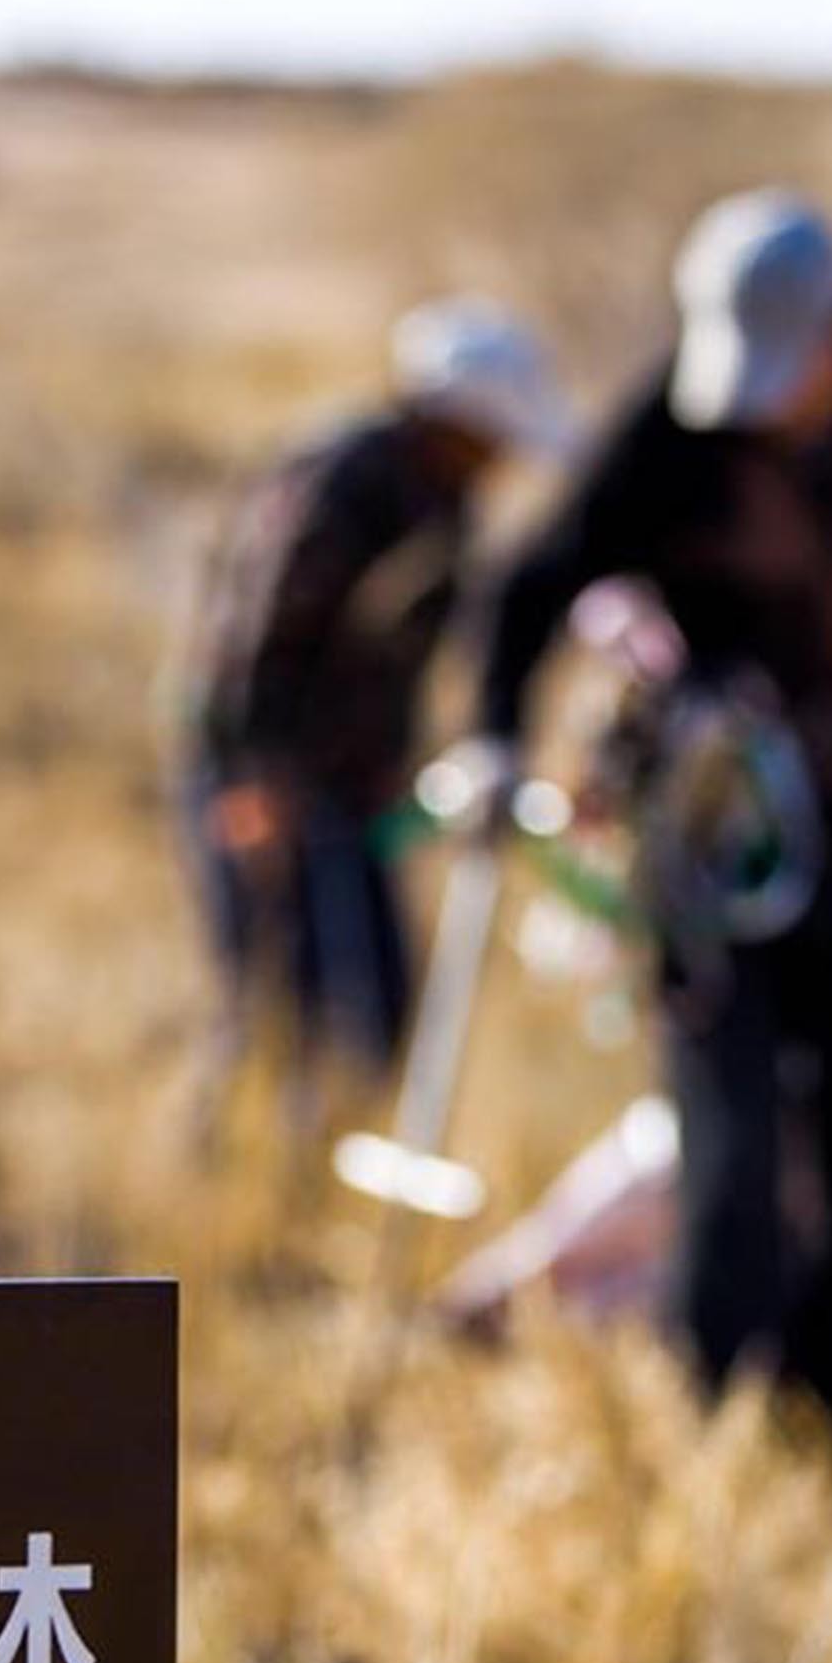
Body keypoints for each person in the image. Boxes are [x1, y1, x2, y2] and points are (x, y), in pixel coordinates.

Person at [465, 186, 832, 1460]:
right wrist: (494, 737)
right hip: (709, 842)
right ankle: (715, 1436)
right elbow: (530, 583)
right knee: (728, 1167)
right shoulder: (671, 430)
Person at [183, 295, 568, 1094]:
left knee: (373, 995)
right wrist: (252, 775)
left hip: (347, 776)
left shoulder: (444, 500)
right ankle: (247, 1146)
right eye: (493, 437)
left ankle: (340, 1130)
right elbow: (258, 630)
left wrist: (394, 758)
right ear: (454, 422)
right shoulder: (344, 484)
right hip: (266, 765)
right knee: (275, 991)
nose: (503, 458)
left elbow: (406, 651)